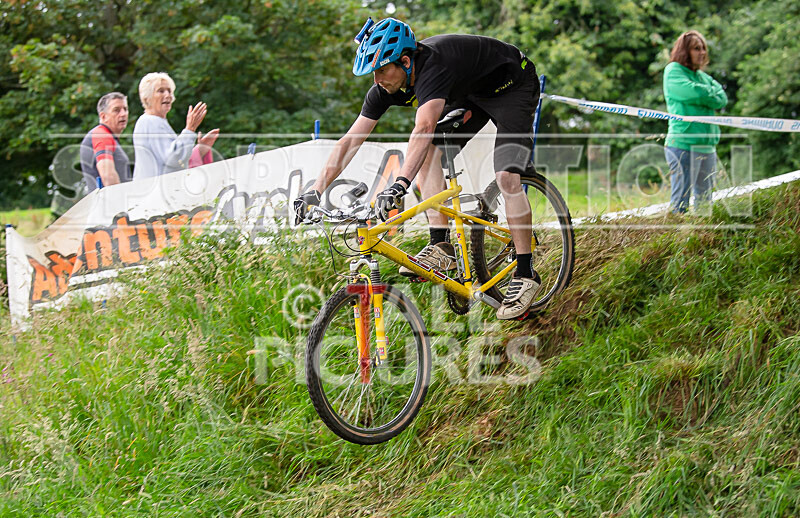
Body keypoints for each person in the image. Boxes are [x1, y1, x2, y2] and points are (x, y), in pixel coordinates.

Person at [294, 18, 542, 319]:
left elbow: (423, 127)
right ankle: (441, 245)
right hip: (471, 93)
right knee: (429, 153)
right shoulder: (384, 88)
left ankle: (526, 273)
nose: (377, 80)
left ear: (406, 61)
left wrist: (400, 184)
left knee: (506, 175)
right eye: (373, 72)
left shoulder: (433, 67)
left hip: (512, 85)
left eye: (382, 70)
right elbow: (350, 140)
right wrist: (315, 190)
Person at [663, 30, 727, 214]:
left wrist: (703, 93)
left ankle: (701, 231)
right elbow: (693, 92)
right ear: (685, 51)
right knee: (680, 203)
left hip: (707, 146)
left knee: (705, 204)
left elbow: (722, 99)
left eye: (703, 48)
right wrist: (709, 93)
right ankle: (676, 232)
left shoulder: (702, 76)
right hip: (682, 144)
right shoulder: (673, 71)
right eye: (696, 49)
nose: (702, 53)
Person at [132, 72, 219, 179]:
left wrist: (200, 150)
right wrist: (189, 129)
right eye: (161, 91)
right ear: (147, 98)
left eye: (169, 91)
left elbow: (174, 163)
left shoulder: (156, 121)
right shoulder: (150, 121)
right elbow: (173, 159)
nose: (168, 95)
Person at [80, 92, 132, 192]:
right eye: (116, 110)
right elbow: (108, 176)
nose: (123, 114)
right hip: (111, 201)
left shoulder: (107, 136)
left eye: (125, 109)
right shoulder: (101, 134)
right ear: (103, 116)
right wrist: (122, 200)